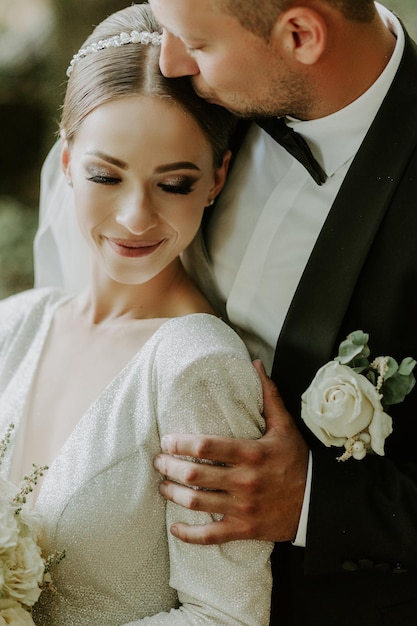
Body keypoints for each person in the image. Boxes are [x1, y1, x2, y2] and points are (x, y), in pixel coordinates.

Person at [34, 1, 417, 625]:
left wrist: (316, 502)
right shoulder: (193, 88)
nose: (168, 58)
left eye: (196, 43)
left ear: (300, 35)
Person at [0, 4, 274, 625]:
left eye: (173, 183)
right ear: (67, 161)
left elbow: (226, 615)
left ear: (216, 178)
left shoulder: (195, 367)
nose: (134, 217)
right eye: (106, 175)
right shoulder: (13, 326)